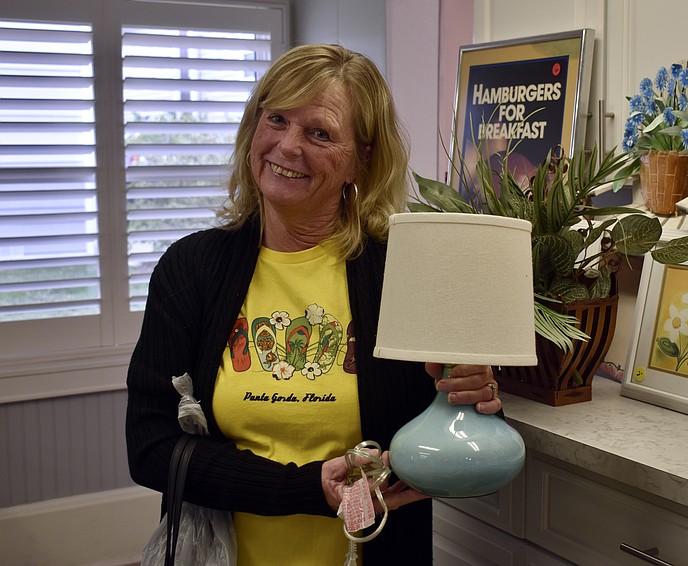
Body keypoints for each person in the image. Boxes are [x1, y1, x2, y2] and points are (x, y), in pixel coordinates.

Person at [125, 43, 502, 565]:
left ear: (361, 159)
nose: (286, 145)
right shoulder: (191, 269)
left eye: (319, 133)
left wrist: (470, 398)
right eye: (276, 118)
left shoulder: (403, 272)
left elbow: (443, 430)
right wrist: (304, 489)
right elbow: (150, 448)